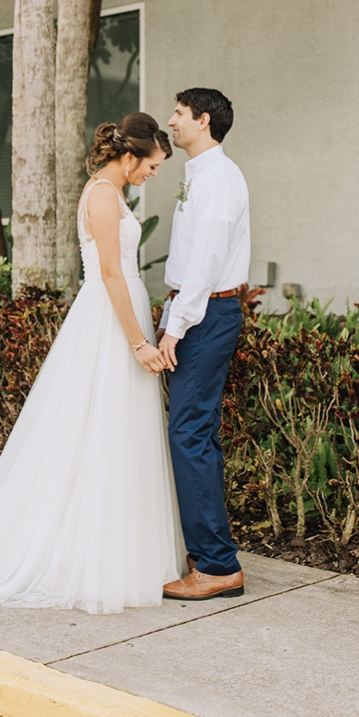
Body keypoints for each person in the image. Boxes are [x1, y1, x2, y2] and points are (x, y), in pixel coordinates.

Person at [0, 112, 185, 614]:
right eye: (151, 166)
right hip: (112, 324)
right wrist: (137, 343)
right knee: (100, 430)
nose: (153, 175)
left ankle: (116, 546)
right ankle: (89, 555)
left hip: (120, 317)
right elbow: (109, 273)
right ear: (130, 157)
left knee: (111, 433)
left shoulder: (112, 191)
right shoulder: (104, 196)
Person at [157, 88, 250, 601]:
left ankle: (217, 565)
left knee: (188, 434)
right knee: (197, 432)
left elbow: (207, 262)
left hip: (205, 314)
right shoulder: (199, 175)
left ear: (203, 120)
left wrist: (177, 326)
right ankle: (208, 553)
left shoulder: (218, 178)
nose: (171, 121)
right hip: (196, 310)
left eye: (179, 114)